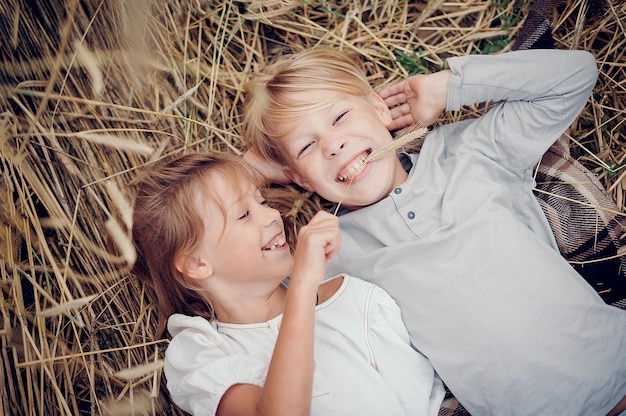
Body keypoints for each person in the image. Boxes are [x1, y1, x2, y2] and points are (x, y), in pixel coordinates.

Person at [243, 47, 626, 416]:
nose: (333, 144)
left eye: (340, 116)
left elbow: (575, 75)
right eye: (307, 145)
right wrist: (248, 173)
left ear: (379, 109)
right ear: (297, 178)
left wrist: (449, 87)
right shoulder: (331, 255)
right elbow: (251, 288)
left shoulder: (469, 152)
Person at [131, 152, 445, 415]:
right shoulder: (200, 352)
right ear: (196, 263)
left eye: (263, 202)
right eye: (243, 215)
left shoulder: (355, 297)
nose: (271, 216)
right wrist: (302, 287)